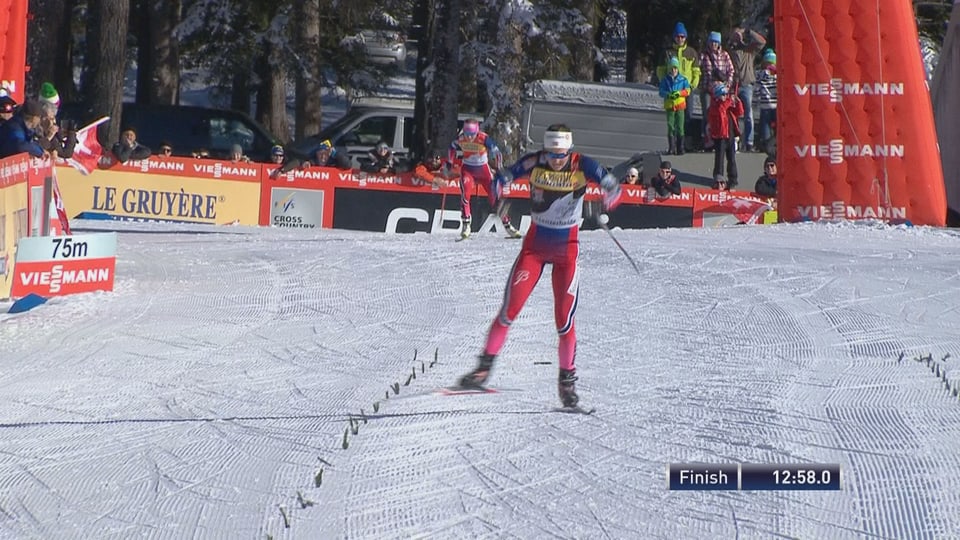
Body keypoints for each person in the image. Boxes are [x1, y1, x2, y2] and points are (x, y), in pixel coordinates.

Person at [457, 124, 623, 409]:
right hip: (534, 249)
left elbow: (614, 189)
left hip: (566, 253)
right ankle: (483, 368)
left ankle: (567, 383)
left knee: (564, 322)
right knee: (508, 312)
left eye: (561, 154)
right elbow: (502, 177)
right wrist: (498, 196)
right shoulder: (534, 161)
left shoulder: (584, 164)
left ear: (568, 150)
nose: (556, 160)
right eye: (552, 154)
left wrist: (604, 202)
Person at [448, 119, 518, 239]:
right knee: (465, 194)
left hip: (484, 172)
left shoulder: (483, 138)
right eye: (467, 134)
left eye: (472, 134)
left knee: (495, 200)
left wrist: (500, 168)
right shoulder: (461, 138)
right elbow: (451, 147)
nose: (469, 137)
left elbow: (497, 153)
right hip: (468, 170)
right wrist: (449, 162)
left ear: (477, 132)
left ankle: (508, 225)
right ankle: (466, 225)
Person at [656, 22, 700, 147]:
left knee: (687, 116)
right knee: (672, 119)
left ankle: (684, 143)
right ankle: (673, 144)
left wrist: (692, 85)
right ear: (674, 37)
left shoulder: (691, 52)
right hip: (671, 90)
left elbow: (696, 71)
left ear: (686, 37)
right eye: (677, 36)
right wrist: (665, 83)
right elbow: (660, 70)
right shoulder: (667, 52)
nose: (680, 39)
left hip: (686, 90)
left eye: (682, 36)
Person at [728, 25, 767, 152]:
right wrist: (732, 39)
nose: (737, 38)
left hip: (747, 86)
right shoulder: (730, 51)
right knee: (733, 115)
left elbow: (762, 42)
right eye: (735, 36)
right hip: (733, 87)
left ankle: (749, 142)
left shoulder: (749, 50)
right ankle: (734, 141)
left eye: (739, 36)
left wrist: (747, 31)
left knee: (748, 115)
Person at [699, 31, 734, 151]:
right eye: (712, 42)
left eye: (716, 42)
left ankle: (721, 140)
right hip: (707, 90)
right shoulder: (704, 56)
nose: (713, 44)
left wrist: (727, 85)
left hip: (721, 91)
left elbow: (731, 71)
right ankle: (707, 140)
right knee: (707, 114)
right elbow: (698, 70)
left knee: (721, 115)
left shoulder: (725, 55)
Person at [708, 81, 744, 190]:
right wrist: (729, 100)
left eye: (726, 94)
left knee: (731, 158)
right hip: (720, 137)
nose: (725, 97)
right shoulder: (715, 106)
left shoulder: (728, 105)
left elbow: (739, 112)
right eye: (723, 95)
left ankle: (733, 179)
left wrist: (738, 102)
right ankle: (718, 178)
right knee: (719, 159)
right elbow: (721, 111)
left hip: (730, 136)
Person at [658, 57, 692, 155]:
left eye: (675, 68)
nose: (674, 70)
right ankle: (671, 148)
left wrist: (679, 93)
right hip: (669, 106)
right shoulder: (665, 80)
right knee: (670, 126)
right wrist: (668, 94)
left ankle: (680, 147)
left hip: (680, 105)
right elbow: (661, 92)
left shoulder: (683, 79)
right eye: (672, 68)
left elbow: (688, 90)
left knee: (680, 126)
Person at [270, 139, 351, 178]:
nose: (323, 157)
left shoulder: (334, 162)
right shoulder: (312, 161)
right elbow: (297, 162)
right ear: (316, 154)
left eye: (326, 154)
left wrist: (336, 154)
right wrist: (282, 170)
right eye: (320, 154)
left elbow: (348, 165)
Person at [754, 49, 778, 154]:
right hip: (774, 104)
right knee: (774, 127)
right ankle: (773, 145)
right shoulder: (777, 74)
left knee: (766, 127)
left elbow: (757, 89)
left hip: (765, 105)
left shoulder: (759, 74)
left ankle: (767, 145)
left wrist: (756, 100)